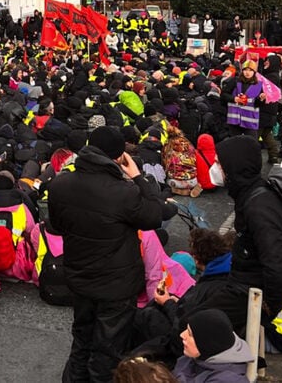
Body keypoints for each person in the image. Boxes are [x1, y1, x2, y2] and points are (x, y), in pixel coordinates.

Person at [48, 126, 166, 381]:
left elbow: (55, 226)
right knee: (108, 349)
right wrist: (138, 176)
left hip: (79, 277)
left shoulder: (60, 184)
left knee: (82, 340)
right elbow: (155, 215)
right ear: (119, 157)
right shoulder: (123, 192)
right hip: (117, 284)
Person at [215, 135, 282, 354]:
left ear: (234, 168)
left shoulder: (259, 208)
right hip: (251, 288)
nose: (215, 168)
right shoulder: (253, 195)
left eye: (219, 164)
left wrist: (264, 310)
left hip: (271, 323)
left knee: (195, 323)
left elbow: (277, 269)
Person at [172, 309, 254, 383]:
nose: (182, 335)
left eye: (190, 334)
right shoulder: (198, 355)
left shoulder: (228, 380)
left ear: (207, 343)